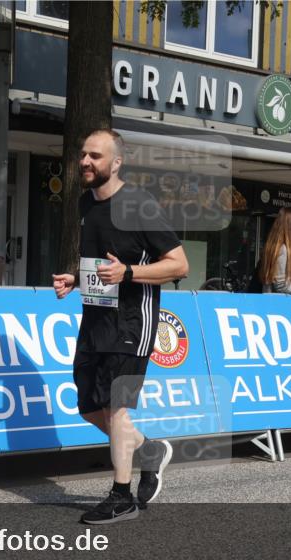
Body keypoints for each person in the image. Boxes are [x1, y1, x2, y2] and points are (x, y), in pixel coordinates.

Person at [52, 129, 189, 525]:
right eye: (83, 154)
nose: (85, 162)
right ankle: (149, 451)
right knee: (89, 406)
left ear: (116, 163)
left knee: (116, 404)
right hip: (95, 318)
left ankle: (121, 495)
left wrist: (129, 272)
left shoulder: (139, 205)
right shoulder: (84, 203)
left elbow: (179, 265)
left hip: (134, 321)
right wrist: (75, 279)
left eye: (95, 156)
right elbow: (99, 265)